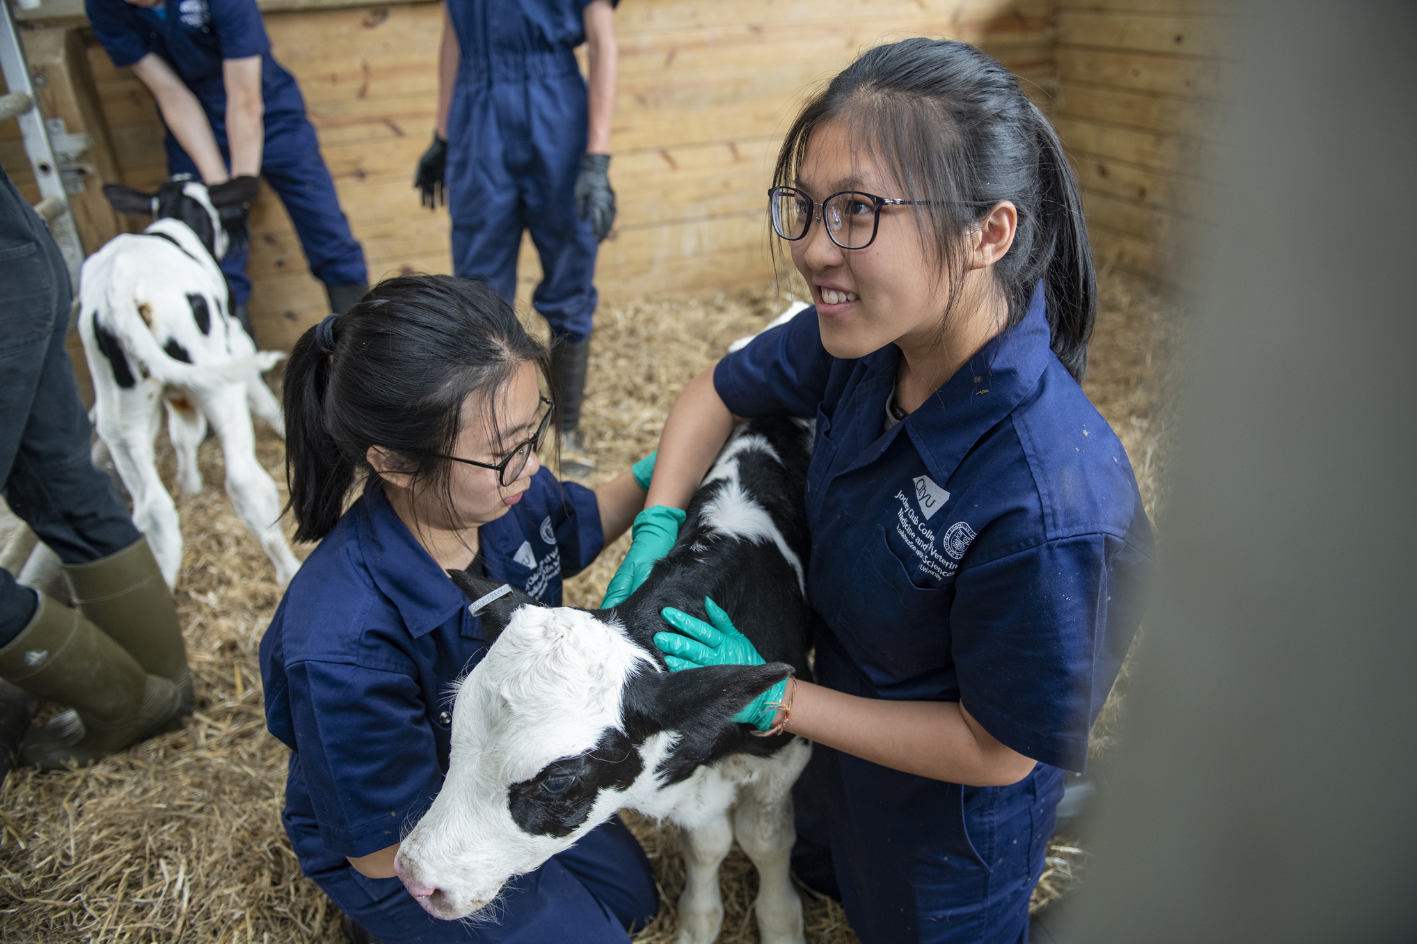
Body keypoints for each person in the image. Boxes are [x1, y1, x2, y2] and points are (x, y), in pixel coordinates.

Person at [613, 39, 1155, 944]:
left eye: (858, 211)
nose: (813, 250)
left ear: (990, 233)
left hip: (947, 821)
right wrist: (658, 518)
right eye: (806, 208)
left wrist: (776, 700)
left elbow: (993, 750)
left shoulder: (1050, 502)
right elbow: (717, 390)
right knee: (825, 867)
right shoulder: (867, 340)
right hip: (842, 747)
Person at [258, 275, 659, 944]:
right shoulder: (341, 643)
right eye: (504, 452)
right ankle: (388, 921)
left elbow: (590, 517)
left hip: (500, 771)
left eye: (534, 434)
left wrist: (671, 469)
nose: (529, 465)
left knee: (632, 902)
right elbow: (377, 849)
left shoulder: (506, 496)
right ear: (392, 463)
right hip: (409, 835)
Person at [0, 163, 191, 771]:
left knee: (63, 484)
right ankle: (159, 689)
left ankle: (125, 700)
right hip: (20, 256)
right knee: (61, 484)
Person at [414, 0, 618, 475]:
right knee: (478, 288)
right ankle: (500, 433)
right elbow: (453, 38)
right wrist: (444, 133)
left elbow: (603, 42)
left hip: (555, 107)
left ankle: (567, 430)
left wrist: (597, 157)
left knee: (571, 271)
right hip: (476, 108)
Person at [84, 0, 370, 337]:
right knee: (215, 258)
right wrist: (220, 191)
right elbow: (170, 92)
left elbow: (246, 98)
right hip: (194, 126)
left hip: (269, 113)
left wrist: (241, 185)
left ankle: (363, 353)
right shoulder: (104, 7)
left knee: (328, 232)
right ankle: (240, 372)